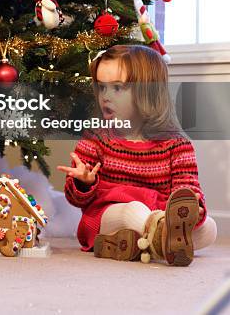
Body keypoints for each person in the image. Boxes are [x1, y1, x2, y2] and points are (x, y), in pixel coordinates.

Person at [58, 45, 217, 266]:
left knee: (209, 228)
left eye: (117, 88)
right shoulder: (97, 136)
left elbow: (187, 192)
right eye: (102, 87)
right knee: (132, 211)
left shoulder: (177, 144)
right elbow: (75, 198)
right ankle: (161, 241)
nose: (105, 96)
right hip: (107, 217)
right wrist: (83, 182)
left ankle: (143, 244)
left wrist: (192, 208)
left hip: (162, 216)